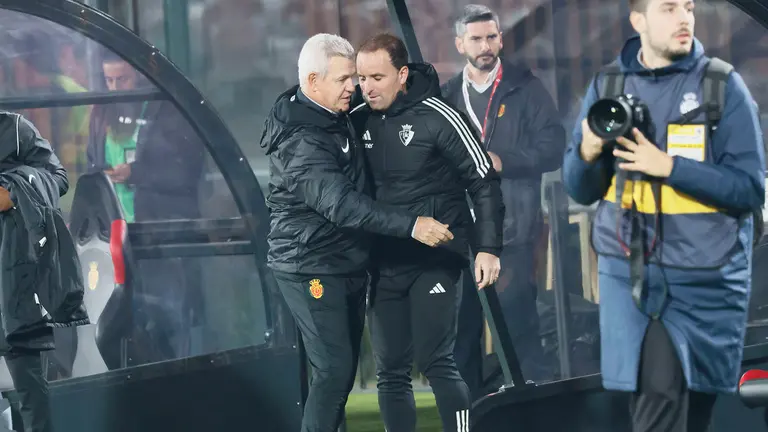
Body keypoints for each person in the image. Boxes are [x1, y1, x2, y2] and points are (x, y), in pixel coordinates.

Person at [562, 0, 765, 430]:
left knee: (694, 413)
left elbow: (750, 188)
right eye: (669, 8)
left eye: (688, 7)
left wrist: (670, 167)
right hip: (633, 276)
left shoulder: (722, 86)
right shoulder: (608, 86)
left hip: (708, 278)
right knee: (657, 397)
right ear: (638, 21)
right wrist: (587, 152)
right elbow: (580, 188)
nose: (684, 18)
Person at [260, 33, 455, 432]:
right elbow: (342, 205)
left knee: (339, 373)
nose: (355, 87)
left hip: (344, 261)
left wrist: (409, 80)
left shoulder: (333, 115)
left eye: (356, 77)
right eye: (345, 79)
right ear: (313, 82)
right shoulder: (301, 141)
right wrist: (411, 225)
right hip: (309, 264)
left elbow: (401, 86)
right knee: (334, 370)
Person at [353, 33, 504, 432]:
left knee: (436, 360)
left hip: (434, 260)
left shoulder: (439, 115)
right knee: (390, 370)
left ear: (402, 74)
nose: (367, 87)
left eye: (377, 77)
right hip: (383, 262)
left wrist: (487, 248)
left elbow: (484, 182)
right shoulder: (355, 118)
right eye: (361, 77)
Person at [441, 4, 566, 391]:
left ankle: (534, 407)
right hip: (462, 234)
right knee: (463, 336)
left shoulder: (525, 87)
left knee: (520, 326)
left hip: (514, 231)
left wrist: (503, 161)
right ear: (460, 43)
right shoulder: (446, 96)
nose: (485, 45)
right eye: (476, 38)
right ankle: (470, 412)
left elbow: (554, 147)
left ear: (501, 39)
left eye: (491, 37)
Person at [0, 112, 89, 432]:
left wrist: (13, 191)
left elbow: (58, 177)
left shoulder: (15, 129)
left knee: (28, 385)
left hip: (11, 274)